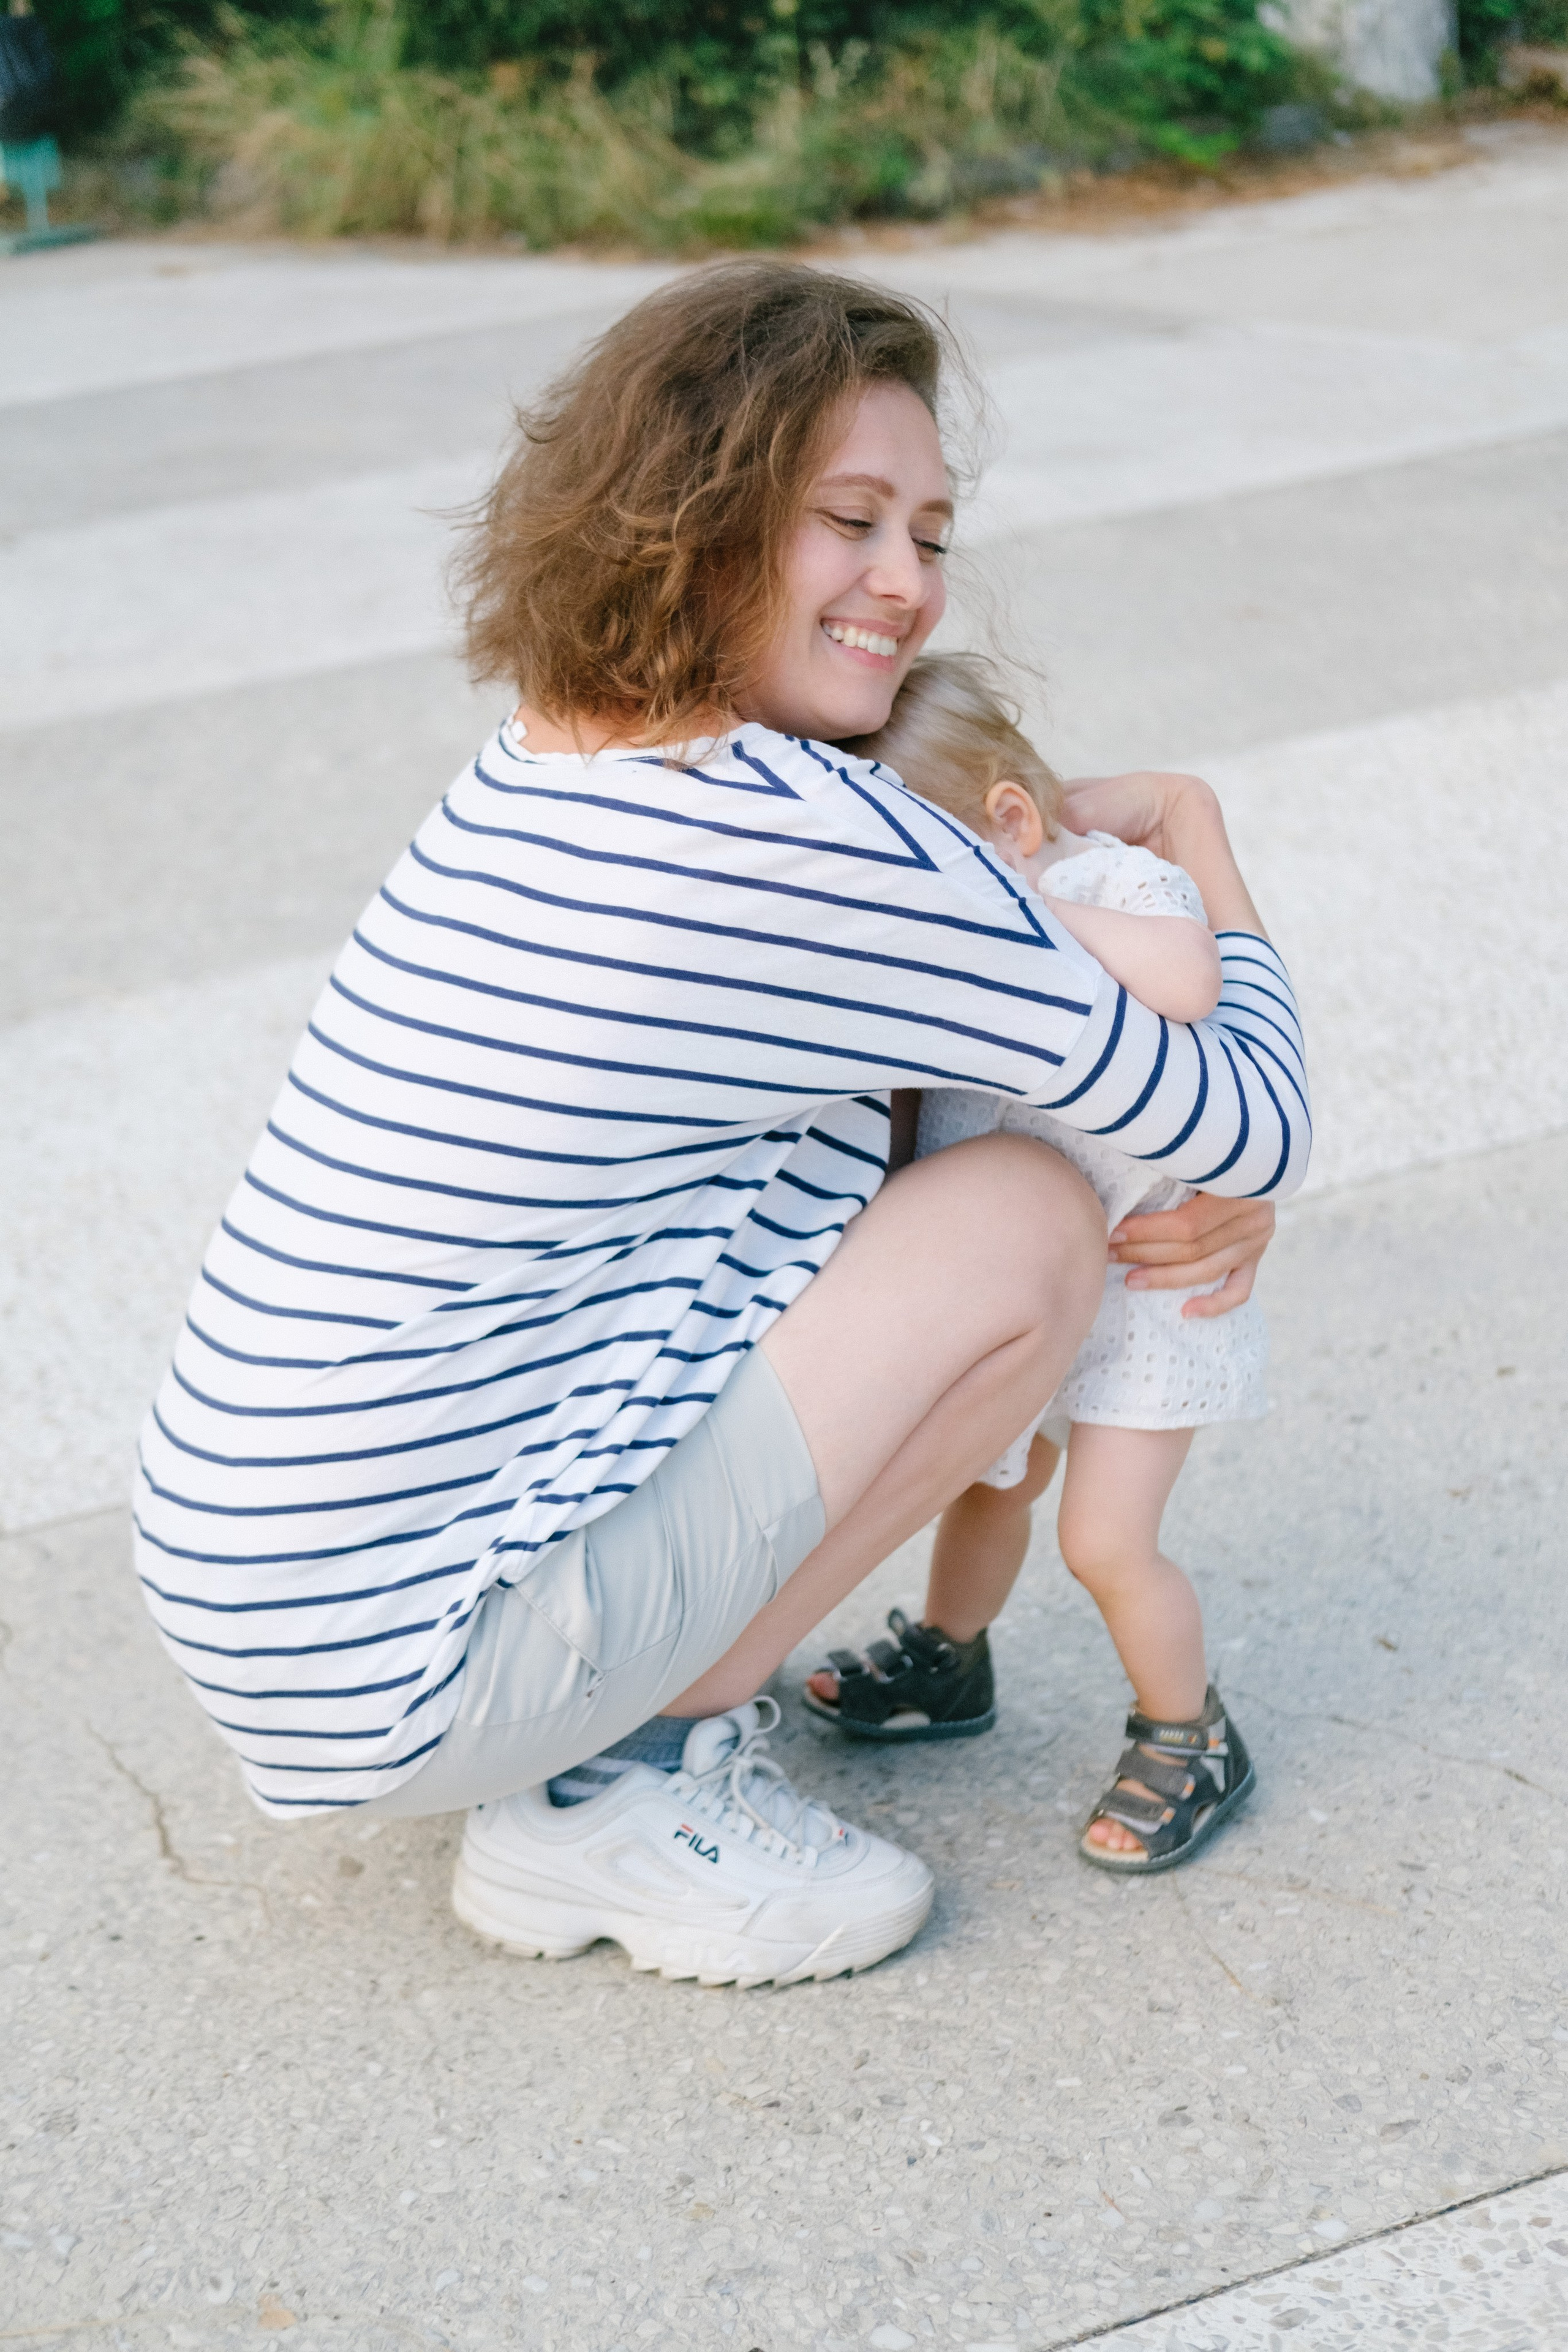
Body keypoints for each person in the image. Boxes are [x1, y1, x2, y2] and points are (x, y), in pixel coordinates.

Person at [132, 262, 1306, 1989]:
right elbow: (1255, 1119)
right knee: (1030, 1222)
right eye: (849, 521)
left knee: (951, 1164)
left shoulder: (556, 756)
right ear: (697, 514)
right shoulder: (820, 845)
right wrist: (1197, 840)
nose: (905, 586)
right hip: (417, 1656)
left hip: (270, 1599)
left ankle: (595, 1735)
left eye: (930, 530)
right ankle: (623, 1785)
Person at [804, 655, 1296, 1872]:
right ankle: (948, 1653)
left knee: (1104, 1543)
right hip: (1024, 1284)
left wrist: (1019, 905)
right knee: (984, 1485)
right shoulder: (942, 949)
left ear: (1009, 829)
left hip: (1144, 1289)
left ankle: (1188, 1732)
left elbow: (1189, 981)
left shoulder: (1101, 884)